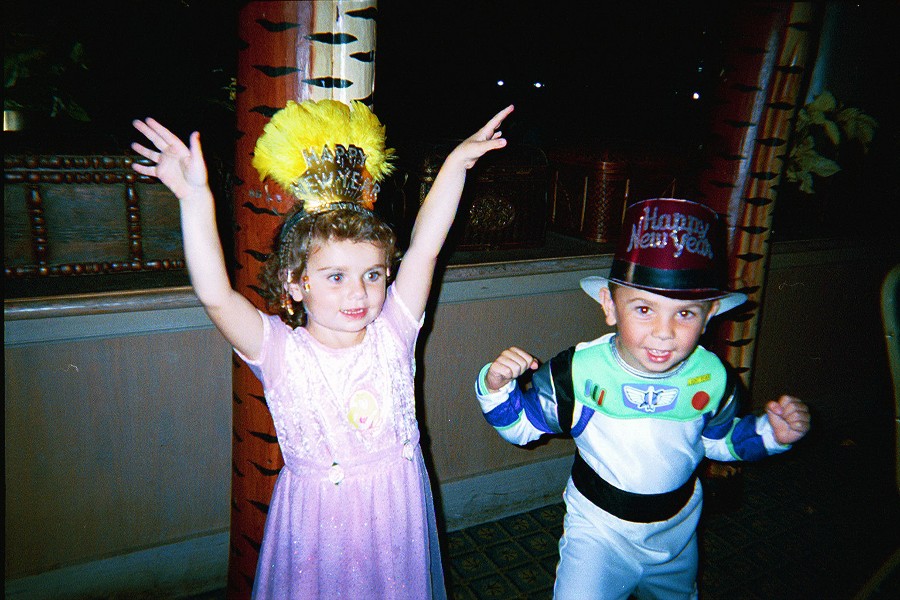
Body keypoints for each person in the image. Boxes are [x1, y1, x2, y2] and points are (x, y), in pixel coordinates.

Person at [132, 99, 514, 600]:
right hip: (319, 527)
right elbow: (216, 296)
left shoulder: (394, 330)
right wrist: (194, 198)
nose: (358, 293)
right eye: (335, 277)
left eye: (372, 275)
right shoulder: (279, 351)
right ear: (295, 283)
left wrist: (455, 165)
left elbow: (425, 247)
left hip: (396, 510)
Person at [475, 197, 811, 600]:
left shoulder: (713, 378)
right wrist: (497, 387)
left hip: (677, 533)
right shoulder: (579, 372)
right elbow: (522, 429)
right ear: (610, 306)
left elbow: (719, 441)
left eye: (685, 313)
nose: (664, 332)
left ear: (709, 316)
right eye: (644, 309)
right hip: (598, 532)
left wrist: (771, 434)